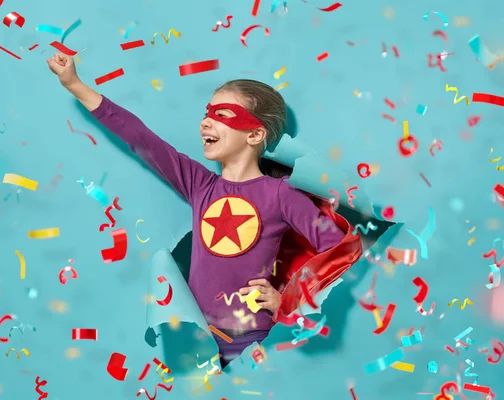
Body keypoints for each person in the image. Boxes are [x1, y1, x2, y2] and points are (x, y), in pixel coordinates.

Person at [47, 53, 362, 367]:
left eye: (223, 115)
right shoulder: (199, 184)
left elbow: (337, 248)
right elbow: (140, 137)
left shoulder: (281, 193)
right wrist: (75, 85)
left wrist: (289, 300)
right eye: (207, 112)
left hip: (251, 342)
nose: (205, 121)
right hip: (196, 342)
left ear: (255, 134)